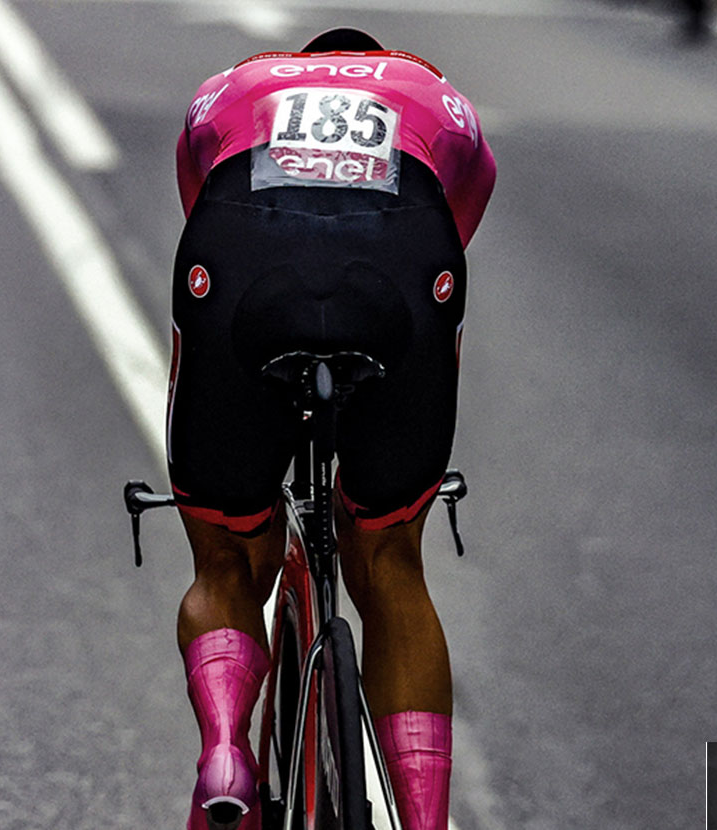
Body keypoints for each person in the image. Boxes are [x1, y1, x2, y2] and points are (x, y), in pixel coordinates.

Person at [168, 27, 496, 830]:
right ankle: (424, 820)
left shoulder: (231, 87)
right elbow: (458, 227)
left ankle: (225, 747)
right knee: (390, 557)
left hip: (243, 258)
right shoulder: (436, 95)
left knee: (225, 550)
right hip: (400, 264)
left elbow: (197, 208)